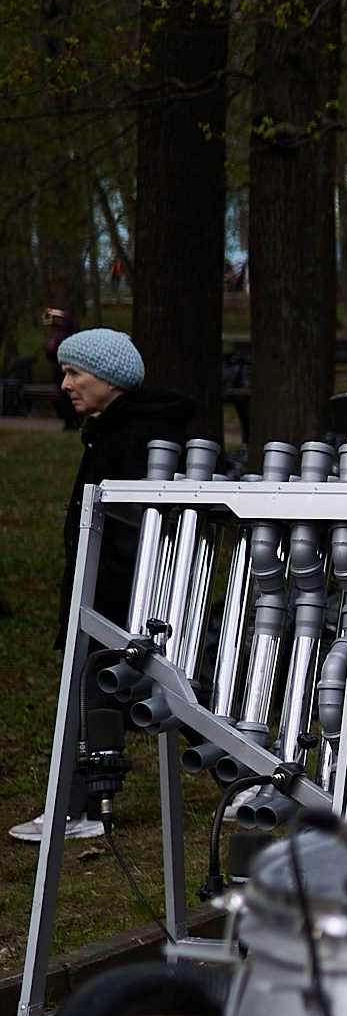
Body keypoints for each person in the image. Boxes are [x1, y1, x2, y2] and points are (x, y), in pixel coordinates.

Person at [12, 329, 195, 843]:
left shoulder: (136, 435)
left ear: (109, 379)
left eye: (76, 374)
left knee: (108, 694)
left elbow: (136, 525)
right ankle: (83, 804)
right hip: (110, 592)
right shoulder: (112, 428)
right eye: (65, 372)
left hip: (125, 595)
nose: (66, 383)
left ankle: (78, 808)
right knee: (110, 695)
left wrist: (110, 593)